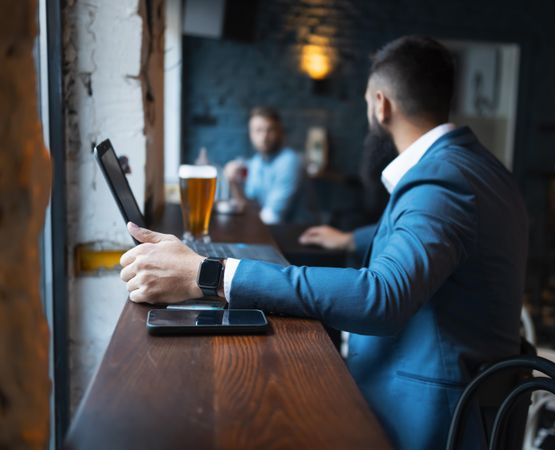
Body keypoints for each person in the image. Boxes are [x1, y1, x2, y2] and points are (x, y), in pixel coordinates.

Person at [120, 36, 528, 450]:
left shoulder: (442, 180)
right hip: (472, 396)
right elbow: (445, 236)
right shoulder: (478, 165)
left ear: (381, 104)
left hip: (435, 417)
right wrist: (353, 237)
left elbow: (382, 297)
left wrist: (209, 273)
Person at [225, 106, 307, 224]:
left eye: (270, 130)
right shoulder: (257, 161)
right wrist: (233, 182)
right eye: (258, 130)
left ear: (280, 132)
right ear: (251, 134)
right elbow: (248, 206)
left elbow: (272, 217)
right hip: (272, 233)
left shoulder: (290, 161)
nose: (264, 137)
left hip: (296, 235)